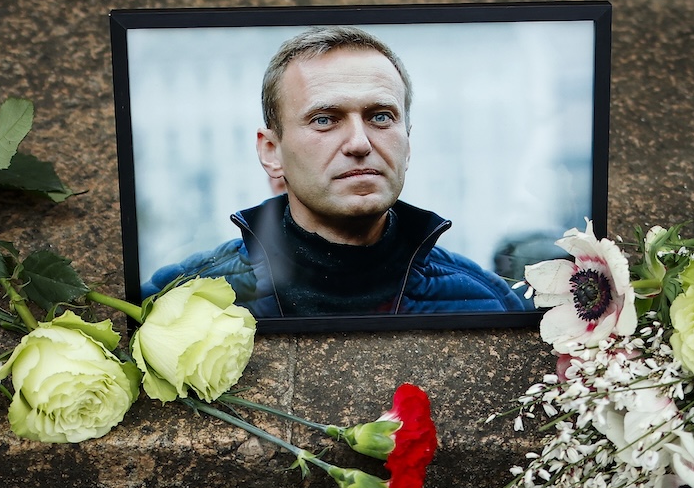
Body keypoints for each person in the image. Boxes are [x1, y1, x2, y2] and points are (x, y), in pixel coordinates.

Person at [141, 25, 530, 317]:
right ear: (271, 151)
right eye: (325, 120)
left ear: (407, 143)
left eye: (380, 116)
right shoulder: (179, 303)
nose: (360, 143)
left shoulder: (487, 301)